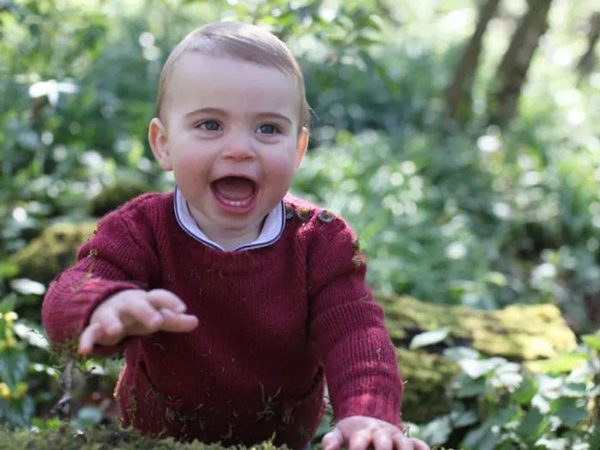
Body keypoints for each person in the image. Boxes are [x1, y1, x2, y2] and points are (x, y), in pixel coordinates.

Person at [42, 21, 430, 450]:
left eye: (267, 129)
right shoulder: (141, 229)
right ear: (164, 144)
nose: (240, 149)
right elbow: (67, 292)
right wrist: (105, 302)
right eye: (210, 124)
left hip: (279, 440)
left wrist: (368, 414)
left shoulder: (319, 242)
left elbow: (356, 331)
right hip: (154, 438)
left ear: (298, 150)